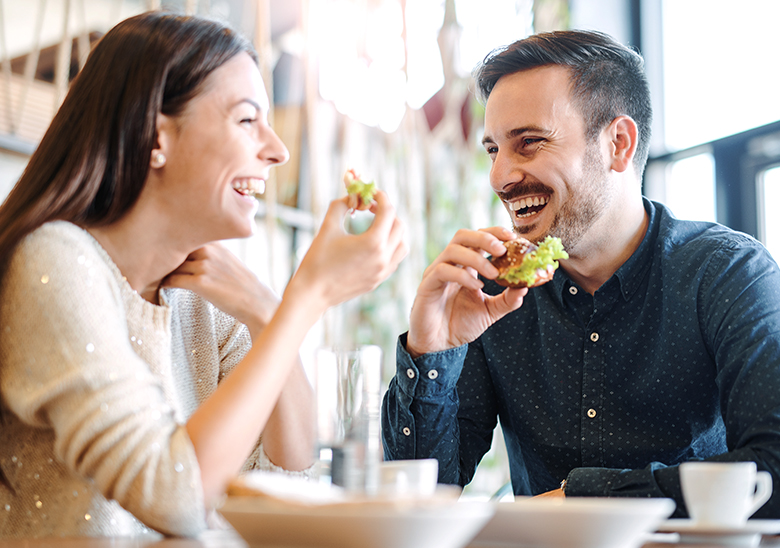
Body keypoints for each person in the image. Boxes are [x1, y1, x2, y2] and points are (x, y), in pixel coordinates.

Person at [0, 11, 407, 538]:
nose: (276, 149)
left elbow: (290, 473)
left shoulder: (203, 295)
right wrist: (307, 298)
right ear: (156, 134)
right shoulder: (53, 261)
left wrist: (268, 312)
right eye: (245, 120)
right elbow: (174, 496)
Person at [381, 29, 780, 517]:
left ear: (618, 143)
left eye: (528, 143)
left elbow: (774, 470)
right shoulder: (490, 294)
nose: (500, 177)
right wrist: (430, 351)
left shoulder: (728, 274)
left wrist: (586, 496)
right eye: (492, 150)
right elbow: (414, 501)